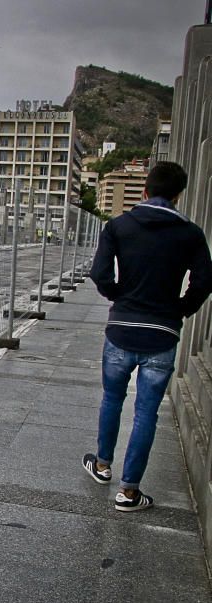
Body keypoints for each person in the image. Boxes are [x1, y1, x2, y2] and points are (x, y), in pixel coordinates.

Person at [84, 161, 212, 511]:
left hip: (122, 327)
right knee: (146, 413)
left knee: (112, 399)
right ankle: (129, 492)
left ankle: (102, 464)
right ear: (178, 194)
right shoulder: (191, 234)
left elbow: (100, 273)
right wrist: (180, 309)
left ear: (144, 190)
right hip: (162, 332)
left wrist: (119, 297)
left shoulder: (119, 226)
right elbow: (204, 281)